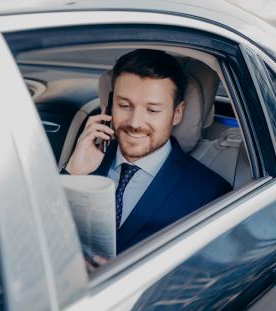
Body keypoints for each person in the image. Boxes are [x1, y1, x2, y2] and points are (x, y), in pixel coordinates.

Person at [64, 49, 232, 254]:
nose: (135, 123)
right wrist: (72, 174)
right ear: (108, 106)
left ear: (177, 113)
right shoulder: (84, 162)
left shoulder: (210, 194)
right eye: (124, 105)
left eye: (152, 110)